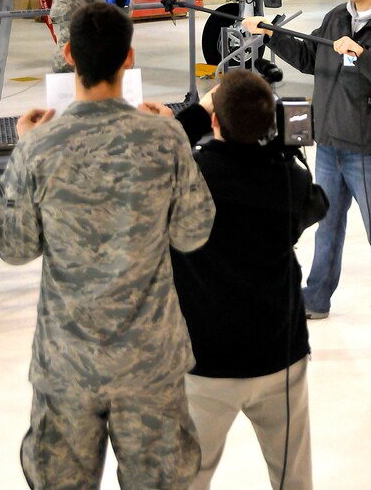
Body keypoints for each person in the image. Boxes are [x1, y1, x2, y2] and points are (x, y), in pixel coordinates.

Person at [0, 1, 215, 490]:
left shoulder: (40, 145)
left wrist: (23, 149)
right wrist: (174, 132)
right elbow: (194, 232)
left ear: (69, 55)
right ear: (128, 58)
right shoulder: (163, 138)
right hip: (149, 362)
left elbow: (14, 247)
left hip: (68, 362)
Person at [141, 69, 329, 489]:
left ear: (213, 122)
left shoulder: (185, 180)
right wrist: (280, 153)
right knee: (293, 479)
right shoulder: (289, 181)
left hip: (205, 363)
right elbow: (316, 204)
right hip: (280, 356)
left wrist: (194, 113)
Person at [243, 0, 371, 367]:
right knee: (326, 229)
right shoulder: (337, 17)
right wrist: (272, 32)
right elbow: (311, 56)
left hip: (368, 152)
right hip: (330, 144)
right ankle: (316, 298)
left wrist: (363, 55)